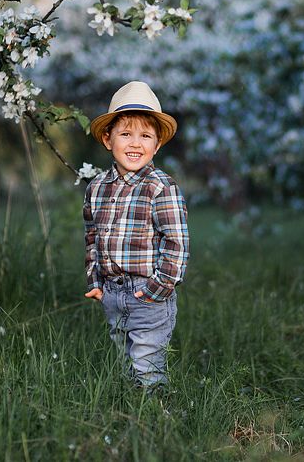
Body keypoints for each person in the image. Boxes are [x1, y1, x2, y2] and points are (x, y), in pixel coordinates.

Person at [82, 80, 189, 389]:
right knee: (121, 360)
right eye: (125, 134)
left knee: (146, 363)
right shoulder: (97, 188)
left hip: (149, 293)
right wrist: (95, 280)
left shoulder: (161, 187)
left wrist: (161, 286)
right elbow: (92, 235)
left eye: (145, 136)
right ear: (107, 139)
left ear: (156, 145)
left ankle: (154, 420)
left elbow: (177, 242)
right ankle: (125, 413)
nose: (135, 143)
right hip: (112, 293)